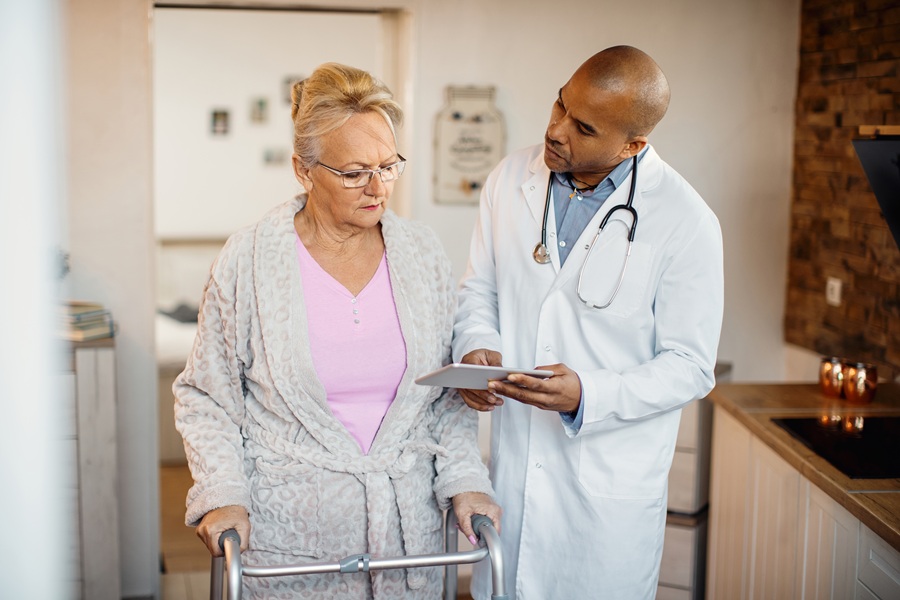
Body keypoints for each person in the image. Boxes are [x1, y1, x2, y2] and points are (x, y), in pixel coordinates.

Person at [174, 62, 500, 599]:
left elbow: (445, 400)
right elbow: (207, 396)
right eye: (354, 173)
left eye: (388, 166)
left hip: (408, 541)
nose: (377, 188)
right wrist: (223, 493)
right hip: (290, 542)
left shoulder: (420, 253)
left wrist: (467, 482)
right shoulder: (249, 259)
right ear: (303, 170)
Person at [452, 46, 724, 599]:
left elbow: (691, 366)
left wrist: (588, 395)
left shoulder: (685, 220)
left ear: (632, 145)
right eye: (560, 105)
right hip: (513, 479)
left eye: (584, 127)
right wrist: (478, 347)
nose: (556, 130)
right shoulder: (510, 178)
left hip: (605, 503)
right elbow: (480, 289)